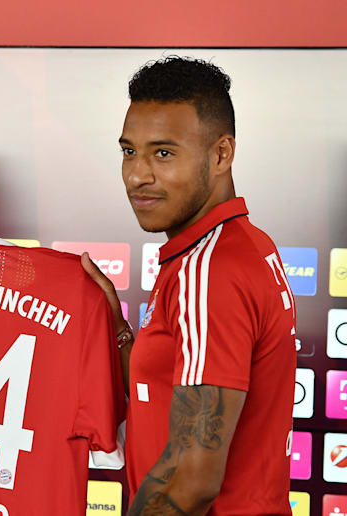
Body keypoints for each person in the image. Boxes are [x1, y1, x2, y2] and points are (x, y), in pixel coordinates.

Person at [81, 57, 296, 515]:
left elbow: (190, 479)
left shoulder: (209, 268)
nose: (138, 175)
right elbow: (161, 389)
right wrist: (116, 326)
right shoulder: (237, 246)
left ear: (221, 155)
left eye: (163, 153)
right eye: (128, 151)